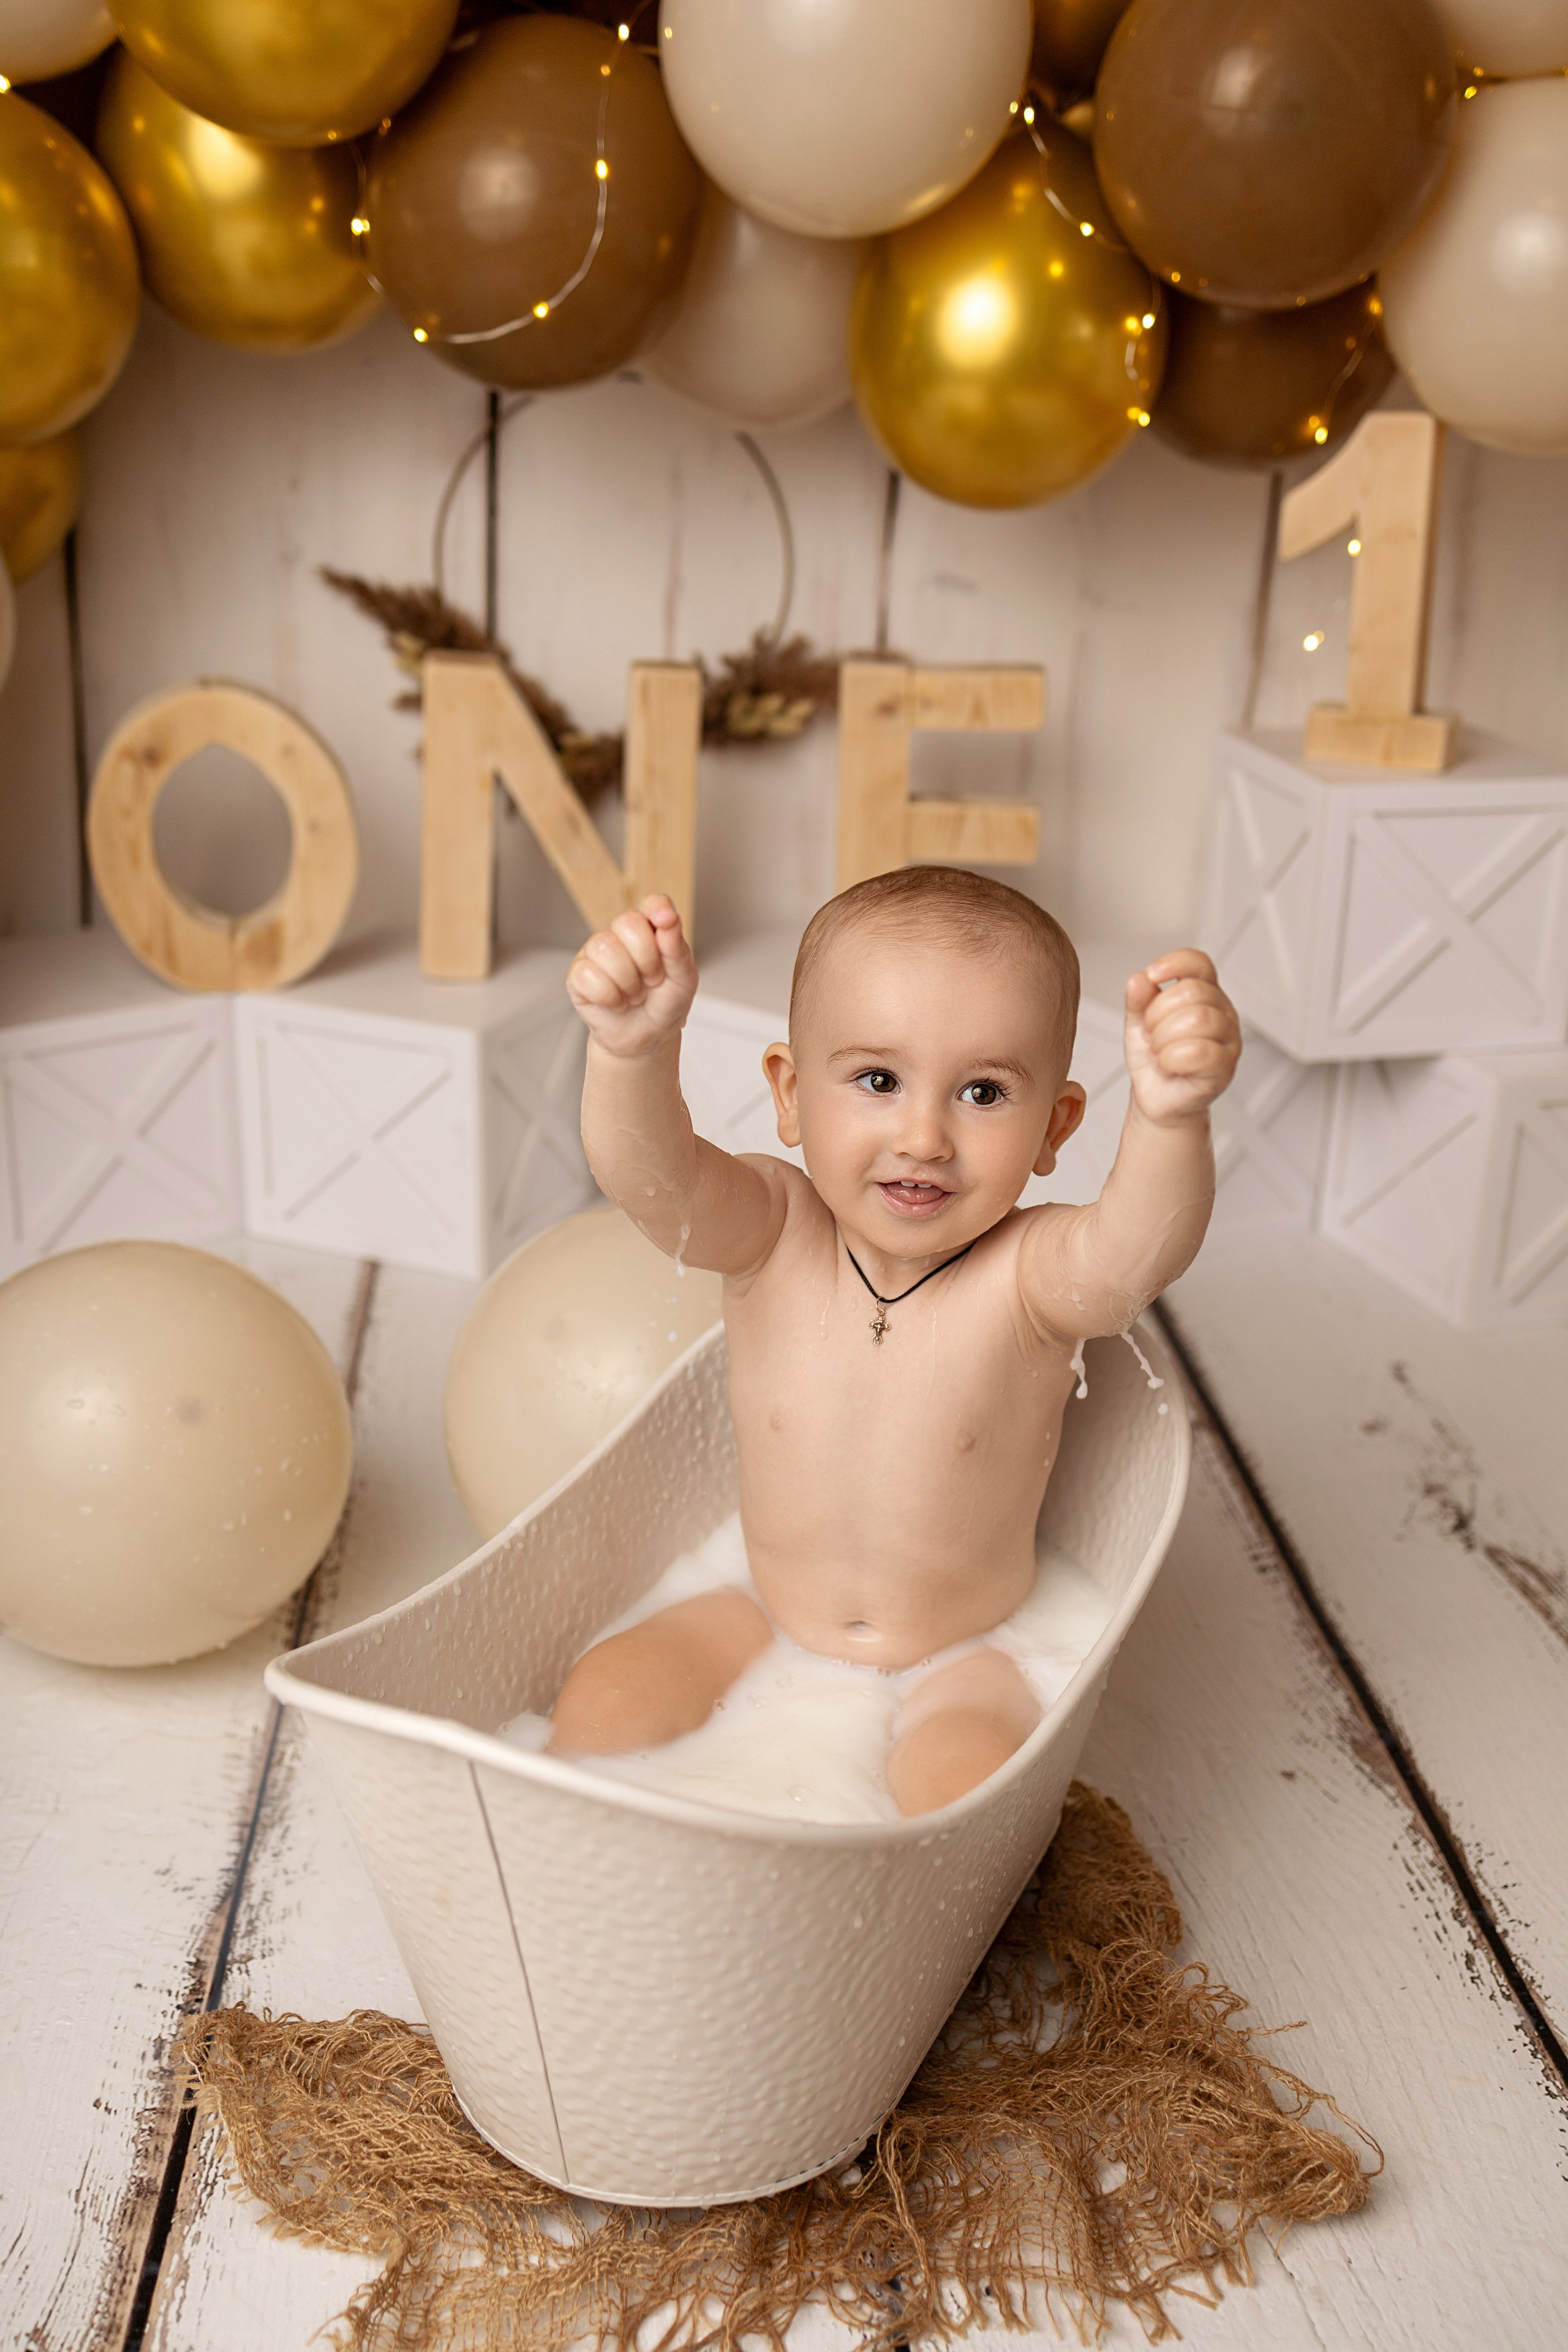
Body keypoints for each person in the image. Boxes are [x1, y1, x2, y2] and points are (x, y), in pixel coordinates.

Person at [549, 864, 1240, 1814]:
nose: (924, 1135)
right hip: (764, 1614)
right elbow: (652, 1183)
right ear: (791, 1096)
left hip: (966, 1652)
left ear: (1056, 1126)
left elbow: (1136, 1254)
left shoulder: (1028, 1277)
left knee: (958, 1788)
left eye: (985, 1093)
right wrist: (630, 1054)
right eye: (878, 1080)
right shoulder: (770, 1231)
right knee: (601, 1704)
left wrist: (1172, 1115)